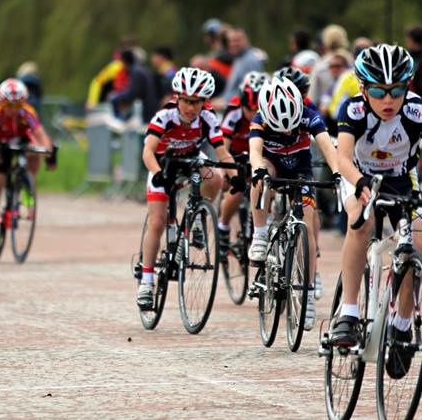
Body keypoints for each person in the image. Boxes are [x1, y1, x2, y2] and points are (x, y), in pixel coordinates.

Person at [329, 45, 422, 378]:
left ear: (407, 87)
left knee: (416, 245)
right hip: (359, 176)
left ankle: (400, 326)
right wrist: (359, 182)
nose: (389, 101)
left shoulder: (415, 110)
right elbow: (342, 159)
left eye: (397, 90)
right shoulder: (353, 110)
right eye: (378, 92)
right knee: (361, 221)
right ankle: (349, 313)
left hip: (401, 180)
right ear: (362, 87)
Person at [136, 67, 244, 310]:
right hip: (163, 163)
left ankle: (195, 220)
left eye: (196, 102)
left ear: (204, 101)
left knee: (215, 177)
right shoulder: (165, 116)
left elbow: (222, 152)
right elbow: (147, 151)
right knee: (157, 221)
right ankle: (147, 280)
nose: (190, 107)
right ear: (177, 98)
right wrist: (157, 174)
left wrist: (235, 177)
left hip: (191, 159)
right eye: (185, 101)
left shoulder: (208, 117)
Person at [247, 75, 340, 331]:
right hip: (272, 166)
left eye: (291, 127)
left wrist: (338, 173)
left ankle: (308, 294)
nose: (287, 132)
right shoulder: (259, 121)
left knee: (308, 225)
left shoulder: (310, 115)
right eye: (281, 128)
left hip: (301, 170)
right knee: (259, 178)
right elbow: (255, 152)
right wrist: (258, 170)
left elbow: (328, 147)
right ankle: (260, 234)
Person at [0, 78, 57, 250]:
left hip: (21, 139)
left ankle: (27, 185)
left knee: (34, 151)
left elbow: (40, 133)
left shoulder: (27, 111)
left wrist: (48, 151)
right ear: (2, 102)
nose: (14, 110)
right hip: (0, 143)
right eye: (9, 106)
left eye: (17, 106)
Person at [218, 71, 268, 247]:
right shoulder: (234, 109)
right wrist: (228, 171)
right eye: (249, 109)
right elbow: (223, 145)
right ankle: (222, 226)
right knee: (233, 190)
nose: (253, 113)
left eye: (257, 110)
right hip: (235, 155)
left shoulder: (269, 113)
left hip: (259, 156)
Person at [222, 27, 264, 101]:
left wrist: (225, 102)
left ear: (246, 40)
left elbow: (252, 92)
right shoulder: (238, 58)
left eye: (237, 41)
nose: (232, 44)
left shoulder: (250, 61)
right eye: (230, 41)